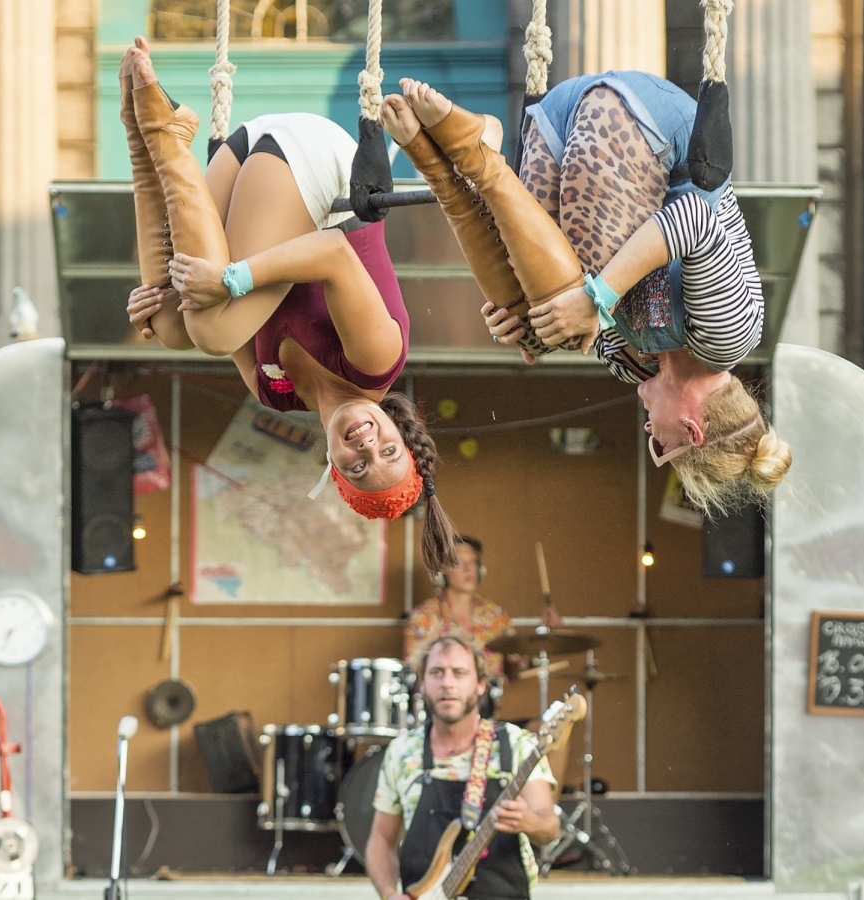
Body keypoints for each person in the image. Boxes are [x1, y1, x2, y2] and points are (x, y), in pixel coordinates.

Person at [117, 38, 458, 576]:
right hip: (318, 173)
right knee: (212, 332)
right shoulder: (376, 362)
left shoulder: (273, 394)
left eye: (358, 467)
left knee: (175, 328)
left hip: (249, 157)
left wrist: (155, 305)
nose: (367, 447)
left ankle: (145, 141)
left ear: (333, 468)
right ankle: (167, 137)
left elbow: (195, 303)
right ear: (400, 435)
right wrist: (231, 279)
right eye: (389, 451)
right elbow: (333, 253)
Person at [379, 73, 792, 516]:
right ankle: (475, 157)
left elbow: (559, 302)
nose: (649, 431)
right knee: (582, 299)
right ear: (692, 430)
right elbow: (694, 218)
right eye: (662, 445)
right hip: (641, 122)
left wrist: (515, 324)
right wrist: (599, 298)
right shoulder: (728, 338)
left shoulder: (630, 365)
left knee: (542, 330)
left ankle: (446, 167)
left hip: (555, 127)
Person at [366, 635, 560, 900]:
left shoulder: (517, 744)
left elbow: (550, 827)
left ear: (480, 684)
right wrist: (390, 895)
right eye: (437, 672)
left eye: (459, 673)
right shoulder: (402, 751)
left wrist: (531, 822)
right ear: (422, 684)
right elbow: (380, 839)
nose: (447, 683)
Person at [404, 535, 561, 680]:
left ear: (480, 570)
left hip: (488, 699)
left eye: (473, 562)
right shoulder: (423, 617)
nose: (468, 568)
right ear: (441, 572)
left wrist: (546, 634)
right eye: (458, 562)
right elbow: (413, 671)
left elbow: (520, 662)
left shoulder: (495, 615)